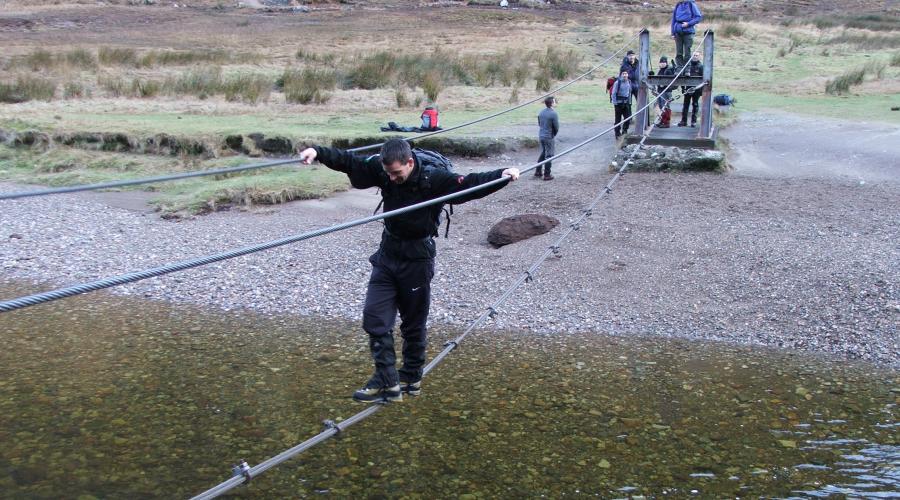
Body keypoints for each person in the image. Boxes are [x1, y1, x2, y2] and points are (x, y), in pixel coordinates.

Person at [298, 139, 520, 403]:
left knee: (413, 325)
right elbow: (349, 161)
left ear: (410, 163)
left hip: (417, 259)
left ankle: (411, 376)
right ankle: (387, 379)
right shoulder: (385, 171)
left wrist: (501, 176)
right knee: (374, 318)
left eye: (397, 173)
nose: (391, 178)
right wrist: (318, 152)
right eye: (388, 173)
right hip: (387, 254)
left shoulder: (433, 178)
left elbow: (468, 185)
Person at [671, 0, 703, 68]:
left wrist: (688, 24)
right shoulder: (678, 5)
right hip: (678, 31)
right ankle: (679, 68)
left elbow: (698, 17)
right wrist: (673, 33)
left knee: (687, 52)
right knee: (679, 52)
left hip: (688, 32)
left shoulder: (691, 4)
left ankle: (687, 68)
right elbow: (673, 19)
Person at [535, 96, 559, 181]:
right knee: (549, 155)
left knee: (543, 153)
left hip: (541, 135)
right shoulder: (553, 114)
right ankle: (547, 174)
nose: (556, 102)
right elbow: (556, 127)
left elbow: (539, 123)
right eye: (555, 101)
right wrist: (553, 134)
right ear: (552, 103)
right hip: (549, 136)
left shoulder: (541, 112)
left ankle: (538, 171)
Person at [678, 51, 704, 127]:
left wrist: (701, 91)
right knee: (685, 105)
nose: (695, 57)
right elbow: (683, 78)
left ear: (699, 57)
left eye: (696, 55)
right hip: (687, 89)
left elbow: (704, 79)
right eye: (694, 55)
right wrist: (683, 88)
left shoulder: (701, 67)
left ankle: (693, 122)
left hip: (697, 90)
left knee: (695, 105)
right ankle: (684, 121)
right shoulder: (687, 66)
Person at [610, 70, 633, 139]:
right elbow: (613, 94)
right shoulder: (617, 83)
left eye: (626, 74)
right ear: (621, 75)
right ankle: (617, 133)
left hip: (626, 103)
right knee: (618, 119)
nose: (625, 75)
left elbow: (629, 92)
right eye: (623, 74)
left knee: (627, 119)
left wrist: (629, 102)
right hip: (618, 104)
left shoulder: (629, 82)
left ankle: (624, 131)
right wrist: (615, 104)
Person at [654, 55, 675, 128]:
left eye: (664, 62)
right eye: (661, 62)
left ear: (666, 63)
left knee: (666, 106)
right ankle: (662, 121)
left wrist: (664, 85)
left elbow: (671, 81)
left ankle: (666, 122)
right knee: (661, 106)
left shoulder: (668, 70)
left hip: (666, 91)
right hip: (660, 91)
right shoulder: (660, 70)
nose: (662, 63)